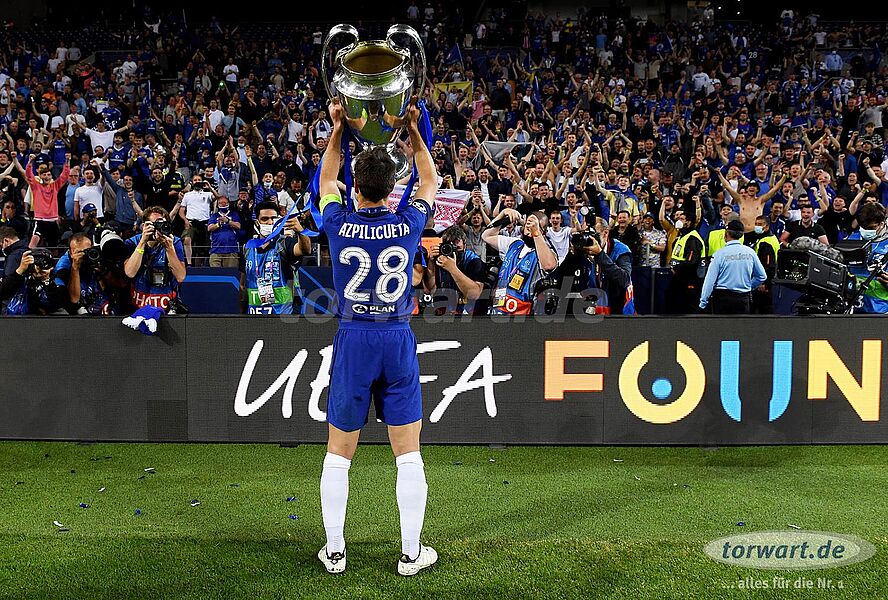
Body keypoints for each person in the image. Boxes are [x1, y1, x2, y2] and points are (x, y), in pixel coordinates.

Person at [316, 97, 438, 576]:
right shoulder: (408, 222)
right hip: (396, 336)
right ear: (391, 189)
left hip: (353, 338)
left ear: (357, 188)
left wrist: (338, 129)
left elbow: (327, 180)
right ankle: (411, 553)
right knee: (408, 454)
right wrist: (413, 130)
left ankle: (335, 551)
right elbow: (429, 180)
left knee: (338, 454)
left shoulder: (337, 221)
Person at [482, 208, 560, 315]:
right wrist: (504, 216)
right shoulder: (514, 243)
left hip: (522, 314)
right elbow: (486, 236)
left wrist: (536, 233)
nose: (530, 229)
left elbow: (549, 265)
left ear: (544, 232)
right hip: (498, 308)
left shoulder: (545, 252)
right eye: (528, 225)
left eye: (535, 226)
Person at [243, 201, 310, 313]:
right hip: (255, 315)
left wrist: (301, 231)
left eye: (273, 219)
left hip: (284, 315)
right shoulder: (248, 248)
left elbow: (305, 250)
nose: (270, 222)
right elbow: (243, 284)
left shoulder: (285, 244)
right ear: (257, 222)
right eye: (265, 219)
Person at [122, 206, 187, 313]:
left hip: (166, 306)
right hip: (139, 306)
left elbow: (180, 277)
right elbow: (130, 272)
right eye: (154, 225)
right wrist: (142, 242)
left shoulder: (174, 242)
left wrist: (169, 248)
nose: (158, 228)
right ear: (144, 226)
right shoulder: (133, 242)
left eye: (162, 224)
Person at [699, 220, 767, 314]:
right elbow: (762, 276)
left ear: (726, 233)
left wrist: (703, 302)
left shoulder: (719, 254)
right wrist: (749, 286)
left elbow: (709, 281)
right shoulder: (750, 253)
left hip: (723, 299)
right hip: (743, 298)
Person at [426, 226, 487, 315]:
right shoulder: (439, 259)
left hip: (467, 313)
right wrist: (431, 263)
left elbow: (475, 294)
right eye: (450, 248)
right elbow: (430, 289)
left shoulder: (474, 261)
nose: (454, 253)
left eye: (457, 248)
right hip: (443, 311)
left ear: (465, 246)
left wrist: (452, 269)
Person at [845, 203, 888, 313]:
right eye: (863, 227)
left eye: (871, 228)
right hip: (853, 308)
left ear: (882, 224)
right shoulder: (851, 240)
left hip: (881, 310)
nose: (866, 231)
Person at [751, 215, 780, 314]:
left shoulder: (766, 243)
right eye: (756, 224)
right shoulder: (771, 238)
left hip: (763, 284)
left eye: (760, 224)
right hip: (765, 281)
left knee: (763, 311)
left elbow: (768, 265)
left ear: (767, 226)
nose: (757, 226)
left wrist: (764, 283)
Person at [208, 196, 241, 268]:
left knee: (231, 273)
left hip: (231, 250)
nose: (223, 204)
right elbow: (209, 228)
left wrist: (228, 221)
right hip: (216, 250)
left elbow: (238, 226)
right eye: (221, 203)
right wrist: (218, 224)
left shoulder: (234, 214)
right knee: (215, 273)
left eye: (225, 202)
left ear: (228, 203)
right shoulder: (214, 216)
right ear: (218, 204)